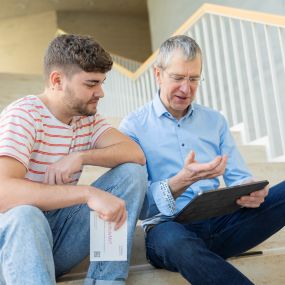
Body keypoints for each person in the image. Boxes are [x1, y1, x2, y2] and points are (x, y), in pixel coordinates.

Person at [119, 35, 285, 285]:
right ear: (158, 74)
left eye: (194, 79)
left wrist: (251, 191)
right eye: (177, 78)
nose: (186, 89)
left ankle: (205, 260)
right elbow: (139, 206)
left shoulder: (214, 121)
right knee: (177, 242)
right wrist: (180, 182)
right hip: (167, 229)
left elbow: (239, 177)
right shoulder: (133, 127)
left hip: (221, 223)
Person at [0, 34, 147, 285]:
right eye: (91, 84)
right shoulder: (23, 115)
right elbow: (4, 192)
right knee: (26, 214)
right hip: (16, 249)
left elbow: (135, 154)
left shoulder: (86, 119)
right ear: (57, 80)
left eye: (101, 83)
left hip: (58, 238)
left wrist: (80, 156)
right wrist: (87, 193)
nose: (100, 93)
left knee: (132, 173)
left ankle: (105, 281)